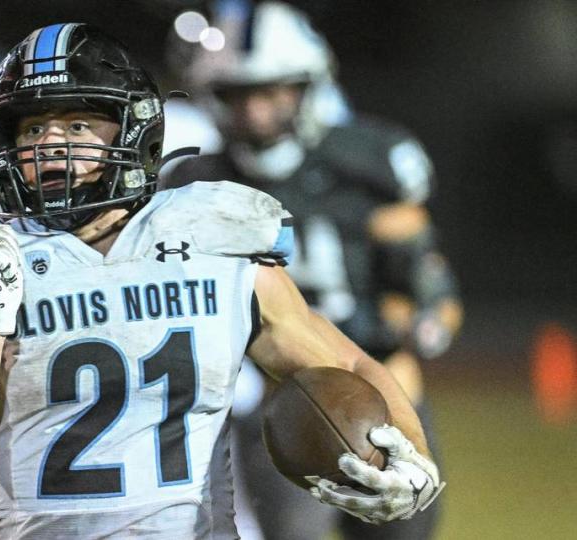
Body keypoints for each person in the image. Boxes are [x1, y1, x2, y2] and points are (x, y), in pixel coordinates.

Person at [0, 22, 444, 539]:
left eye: (77, 123)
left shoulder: (212, 235)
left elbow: (345, 364)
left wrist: (412, 459)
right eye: (32, 127)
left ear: (134, 129)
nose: (51, 142)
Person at [163, 3, 463, 539]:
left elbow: (426, 286)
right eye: (238, 94)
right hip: (273, 400)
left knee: (406, 525)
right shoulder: (197, 182)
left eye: (272, 92)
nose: (255, 112)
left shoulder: (367, 162)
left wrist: (417, 326)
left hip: (381, 383)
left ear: (307, 89)